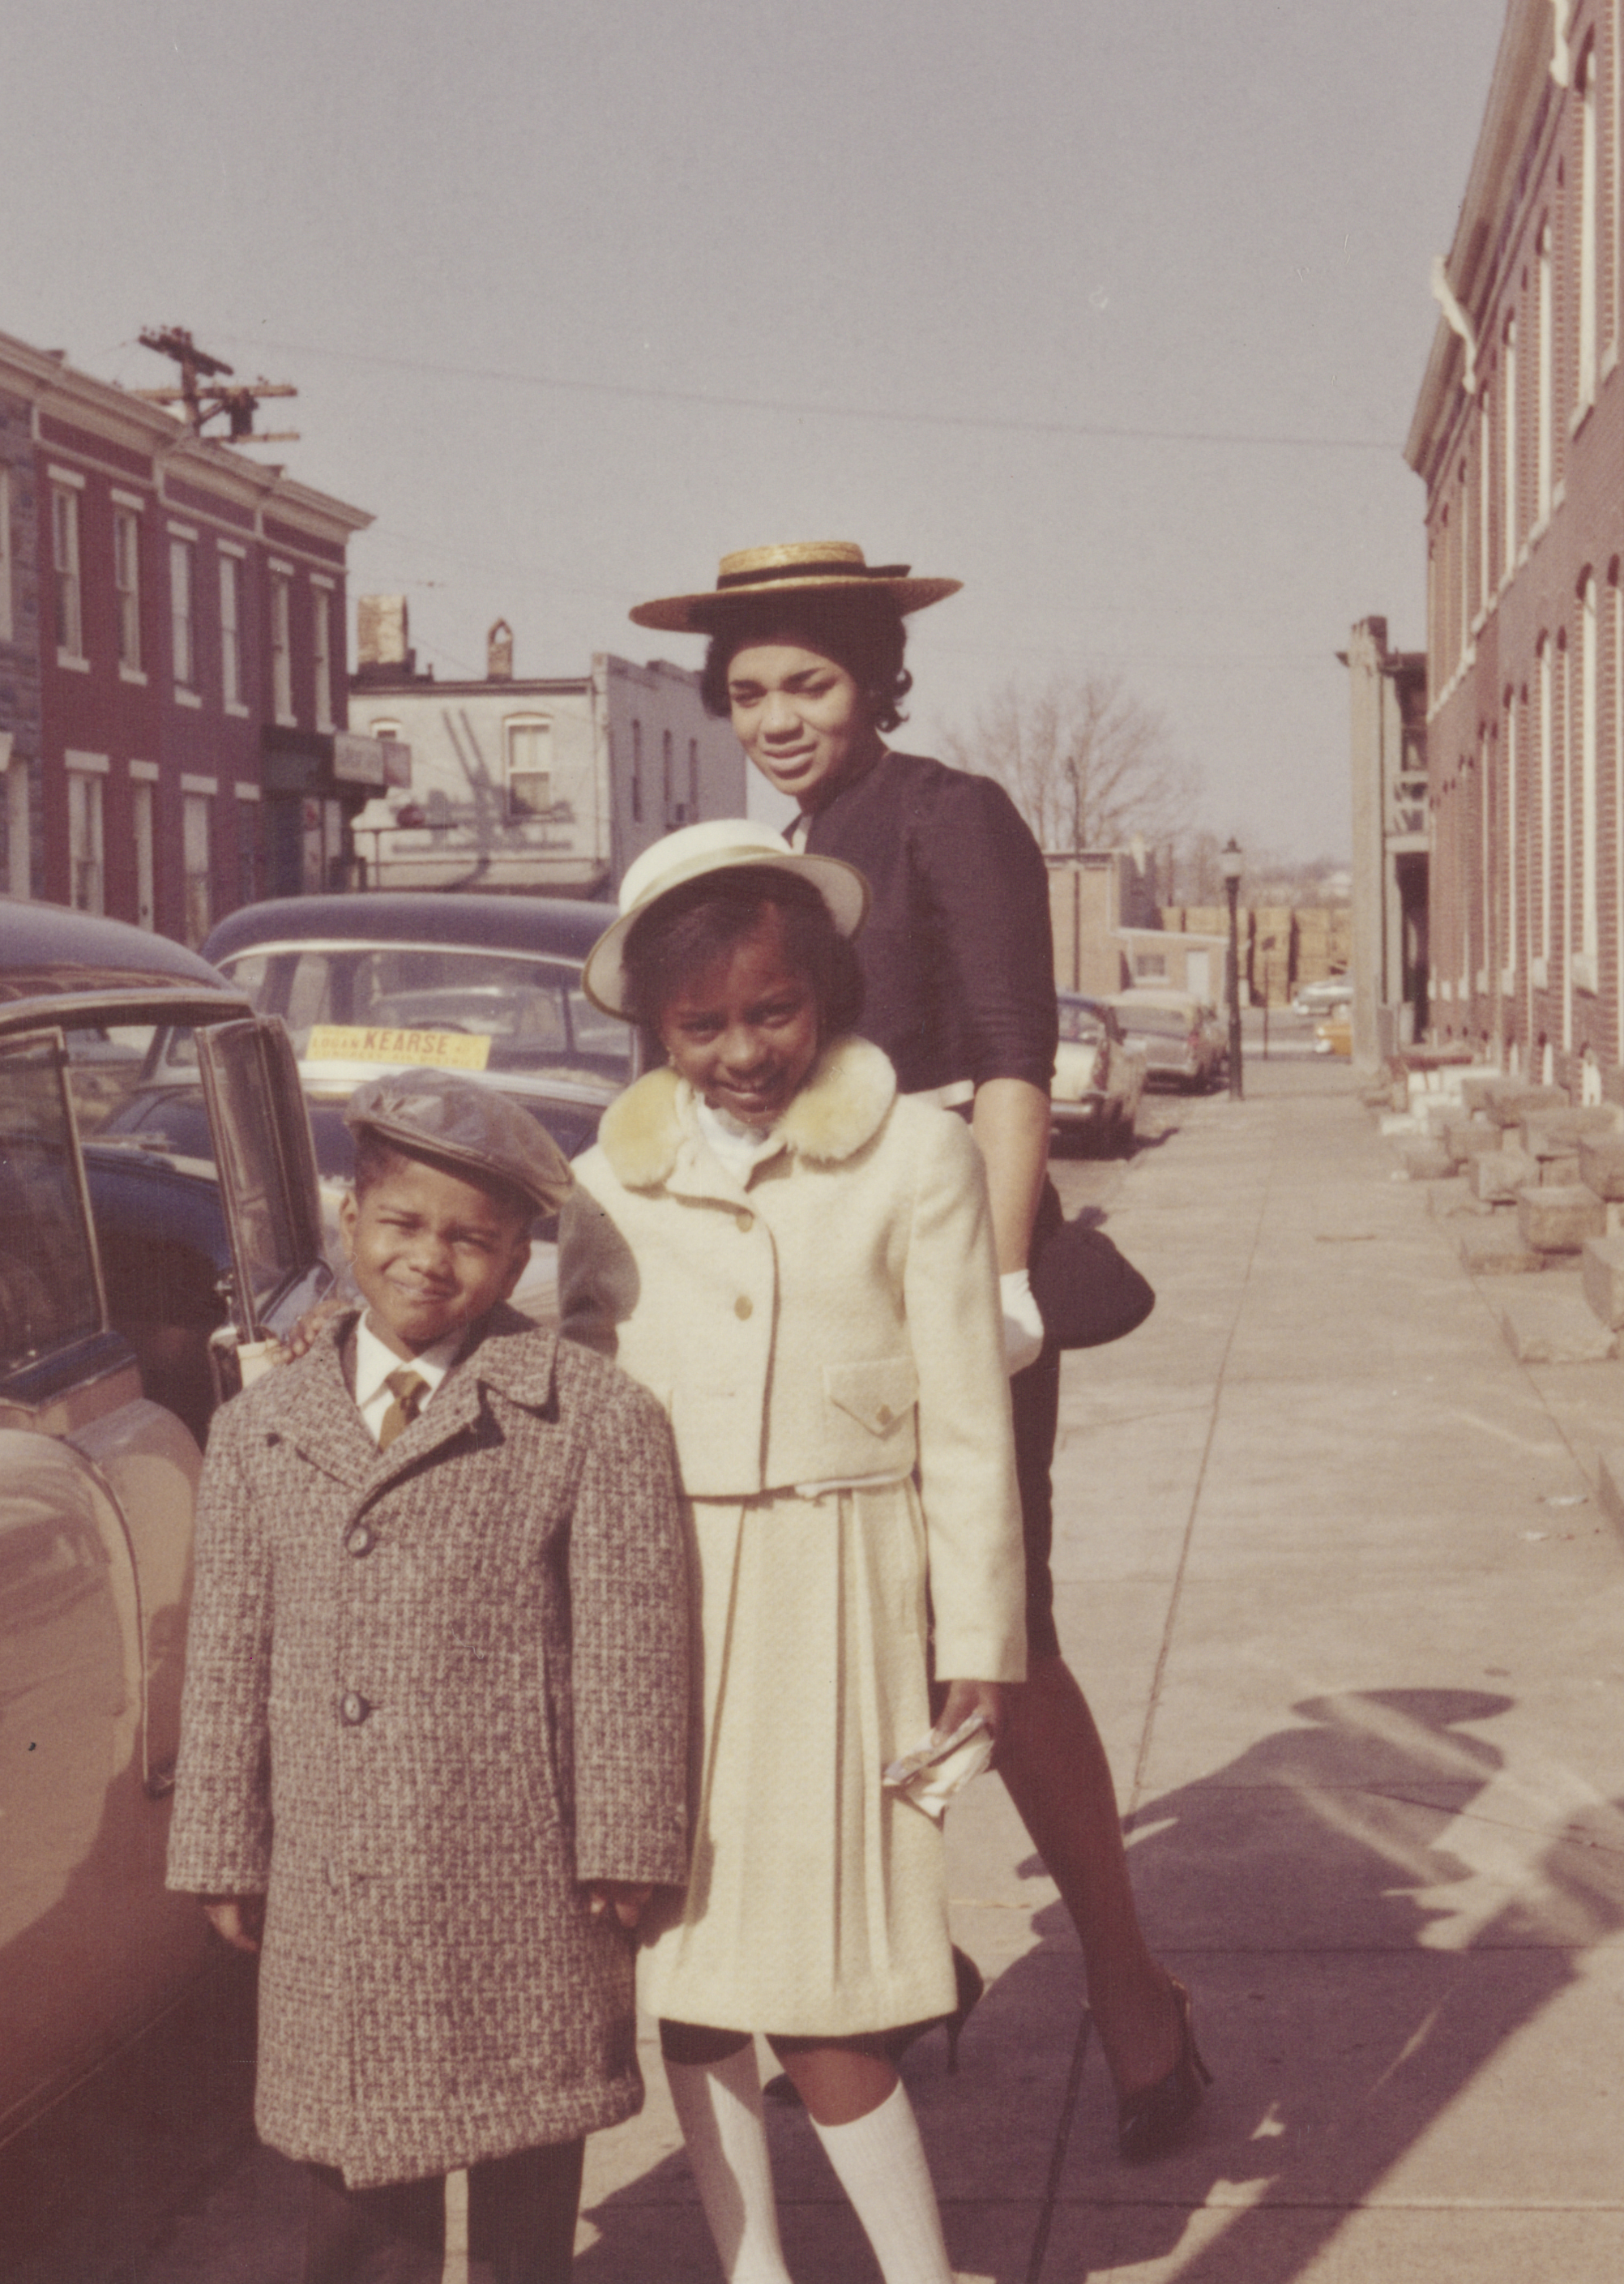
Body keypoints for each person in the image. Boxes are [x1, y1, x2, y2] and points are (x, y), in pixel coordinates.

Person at [629, 541, 1209, 2162]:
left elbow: (1013, 1069)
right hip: (817, 1270)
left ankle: (1128, 1987)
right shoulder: (775, 850)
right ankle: (899, 1962)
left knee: (988, 1632)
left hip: (956, 1253)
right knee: (845, 1623)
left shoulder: (952, 815)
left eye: (808, 683)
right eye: (747, 693)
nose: (779, 718)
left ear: (877, 680)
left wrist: (1001, 1283)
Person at [559, 823, 1024, 2284]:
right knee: (690, 1981)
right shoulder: (606, 1182)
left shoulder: (920, 1154)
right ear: (655, 1027)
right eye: (702, 1027)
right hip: (669, 1609)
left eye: (774, 1012)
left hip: (845, 1596)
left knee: (833, 1996)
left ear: (823, 992)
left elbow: (966, 1419)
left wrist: (978, 1644)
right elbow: (562, 1393)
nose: (744, 1052)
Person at [168, 1069, 693, 2284]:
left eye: (474, 1240)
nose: (430, 1262)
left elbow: (630, 1647)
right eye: (402, 1226)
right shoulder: (262, 1430)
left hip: (518, 1878)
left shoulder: (588, 1418)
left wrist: (626, 1839)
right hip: (334, 1884)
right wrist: (219, 1847)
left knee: (525, 2178)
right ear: (349, 1222)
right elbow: (230, 1651)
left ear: (519, 1266)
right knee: (359, 2202)